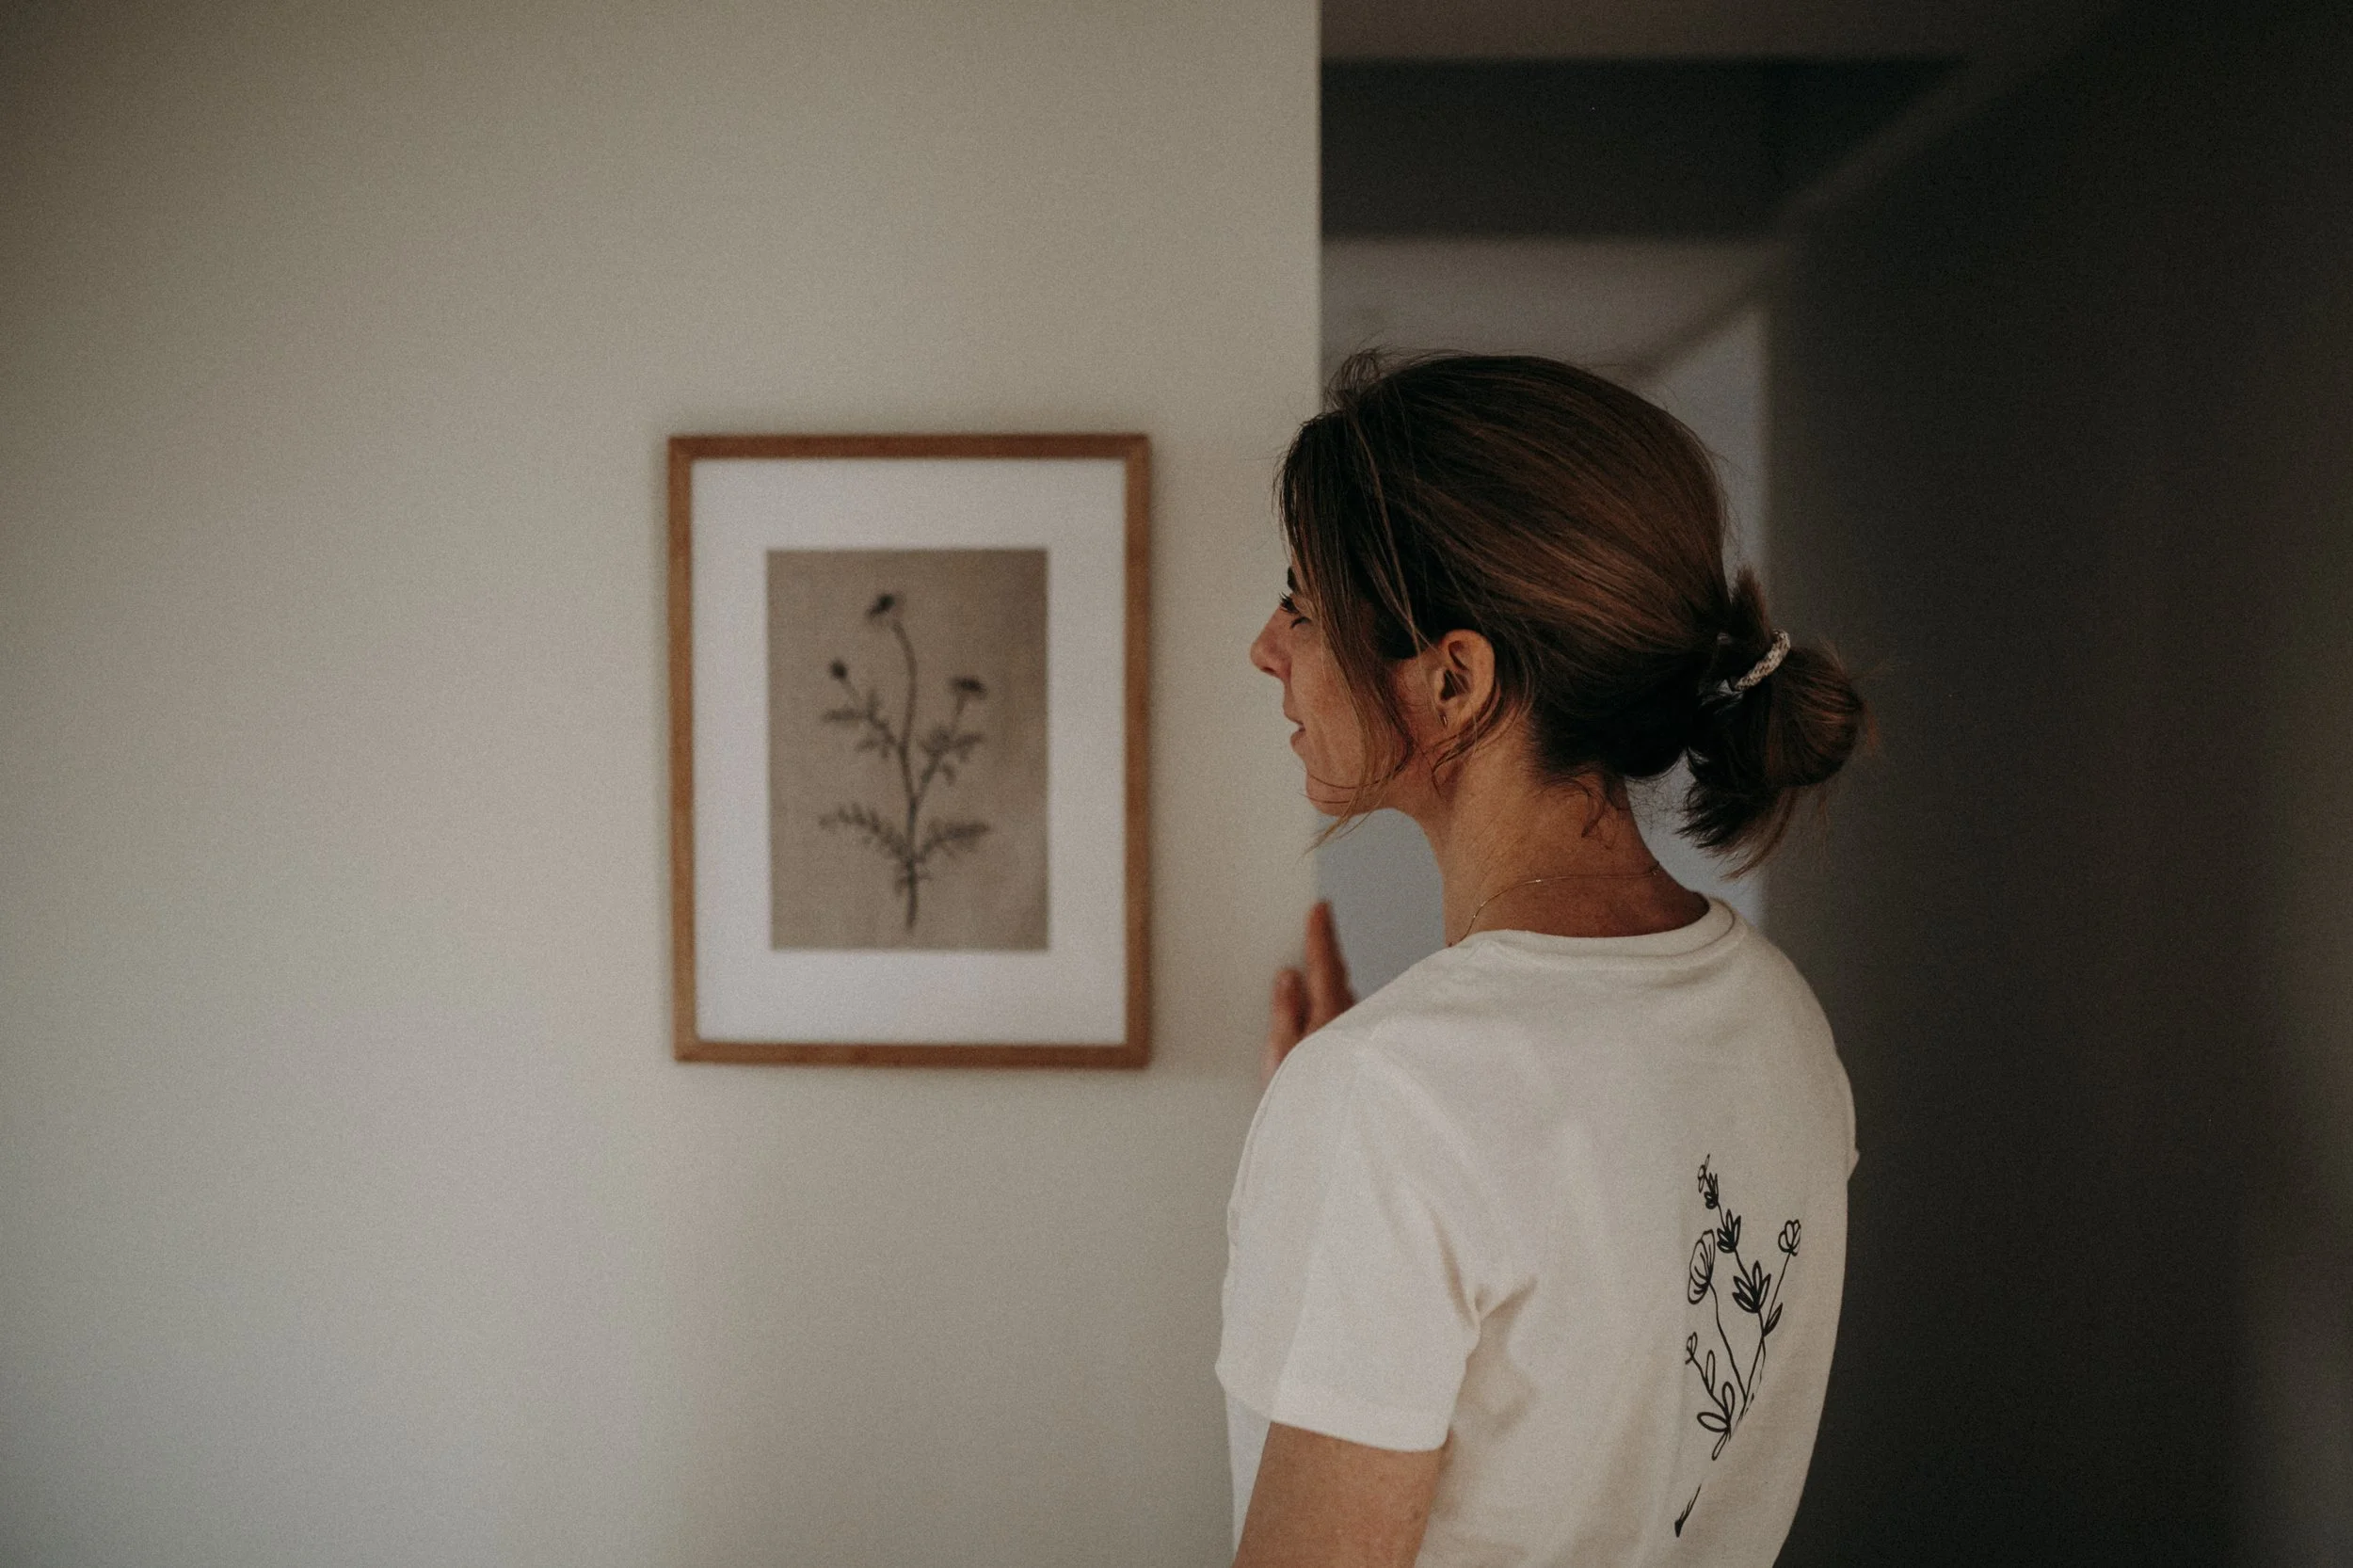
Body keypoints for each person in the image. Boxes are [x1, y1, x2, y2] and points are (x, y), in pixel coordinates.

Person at [1221, 352, 1867, 1568]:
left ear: (1453, 679)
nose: (1266, 646)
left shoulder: (1390, 1097)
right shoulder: (1779, 1019)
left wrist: (1358, 1125)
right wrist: (1357, 1158)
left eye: (1302, 602)